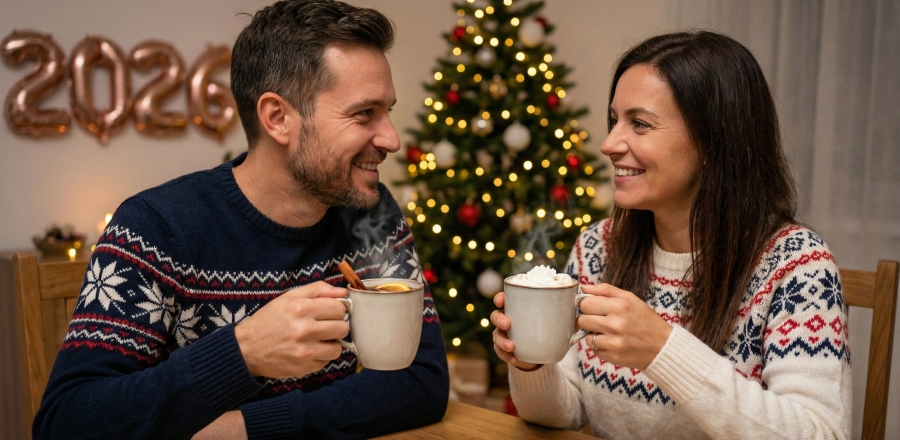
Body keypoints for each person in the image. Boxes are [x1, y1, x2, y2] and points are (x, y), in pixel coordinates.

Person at [34, 1, 449, 438]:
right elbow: (67, 422)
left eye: (388, 112)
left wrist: (254, 426)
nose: (392, 139)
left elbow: (422, 379)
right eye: (364, 114)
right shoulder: (156, 227)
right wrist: (243, 352)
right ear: (277, 118)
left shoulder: (372, 214)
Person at [491, 31, 851, 439]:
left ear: (714, 141)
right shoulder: (597, 248)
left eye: (640, 124)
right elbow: (566, 412)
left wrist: (663, 348)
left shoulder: (797, 266)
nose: (609, 144)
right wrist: (532, 365)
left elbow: (822, 433)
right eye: (614, 121)